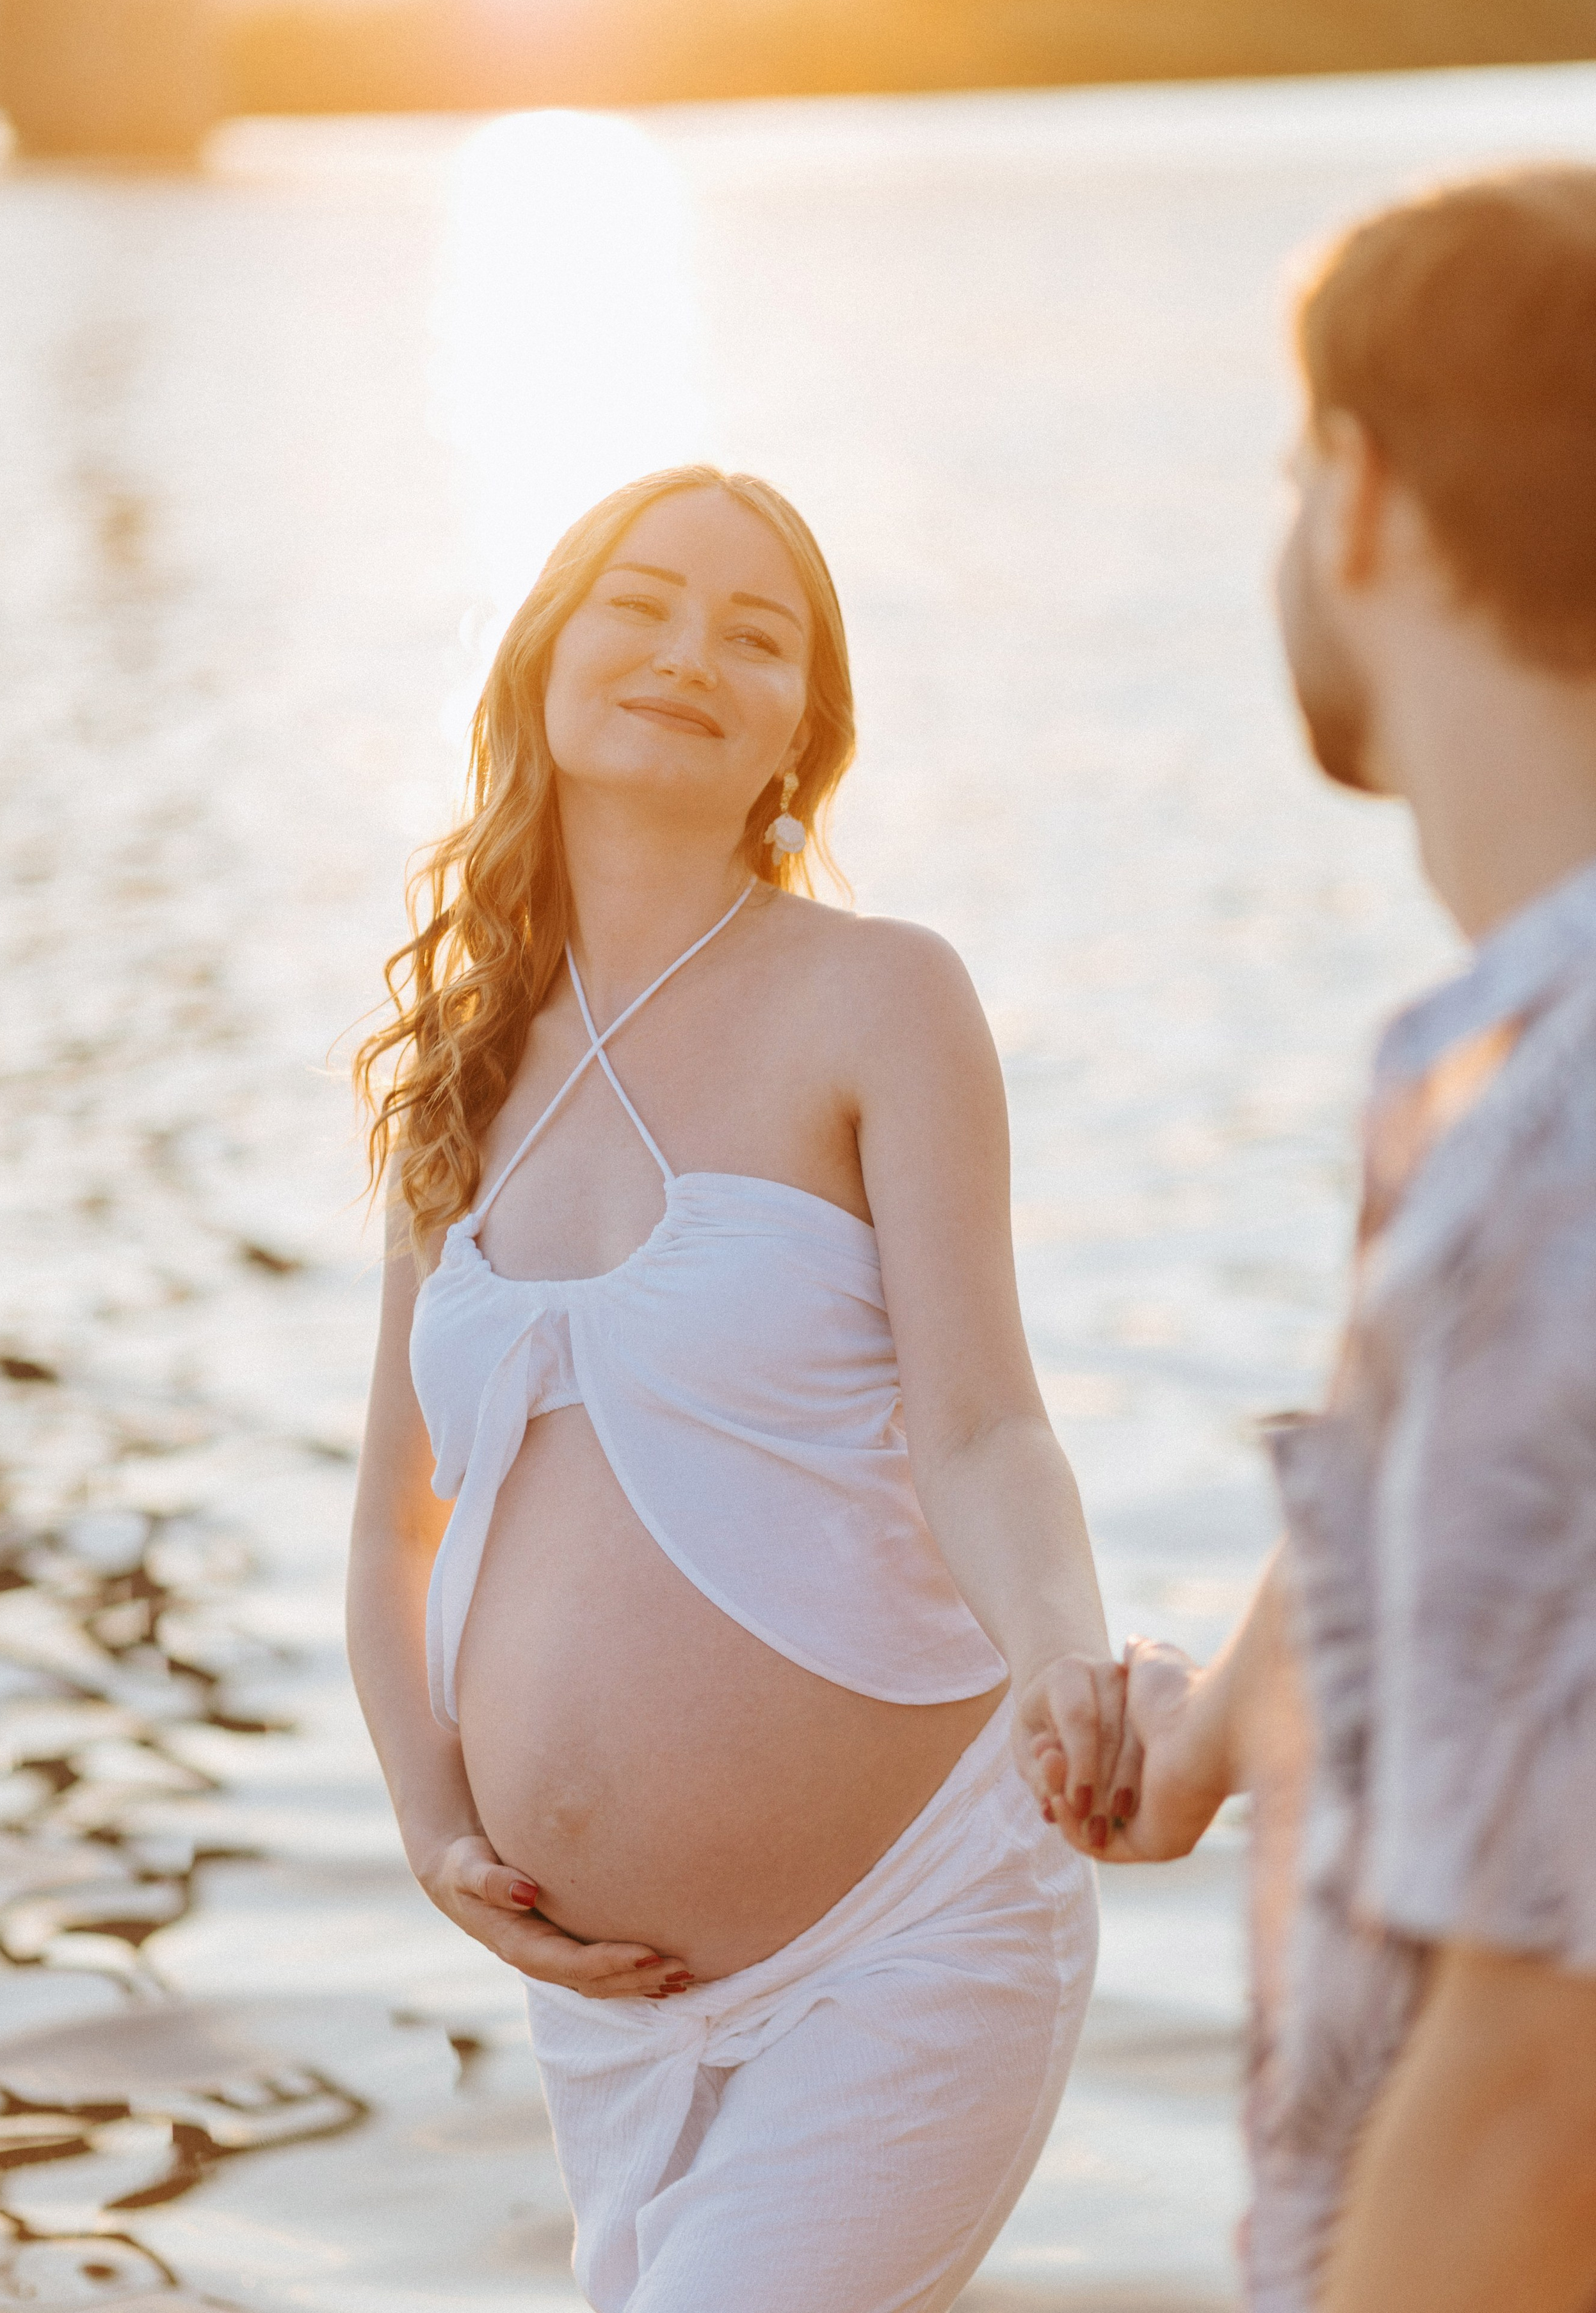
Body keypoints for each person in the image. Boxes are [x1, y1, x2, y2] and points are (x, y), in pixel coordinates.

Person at [347, 463, 1124, 2313]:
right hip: (606, 2028)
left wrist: (1063, 1655)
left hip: (904, 1942)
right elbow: (394, 1521)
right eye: (641, 601)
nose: (689, 651)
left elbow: (988, 1424)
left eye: (755, 635)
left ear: (802, 734)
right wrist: (429, 1822)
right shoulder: (455, 1077)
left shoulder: (879, 999)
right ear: (545, 650)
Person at [1048, 169, 1596, 2313]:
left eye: (1293, 475)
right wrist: (1203, 1738)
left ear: (1357, 495)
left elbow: (1542, 2063)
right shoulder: (1506, 1103)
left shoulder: (1540, 1158)